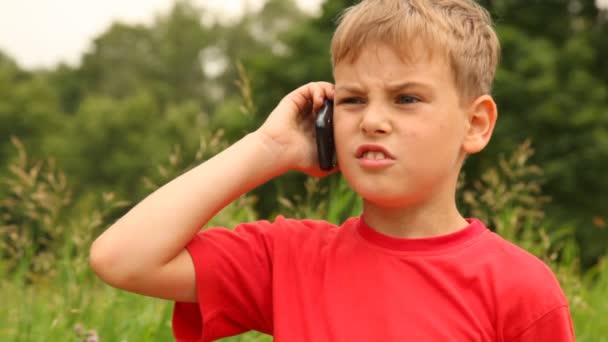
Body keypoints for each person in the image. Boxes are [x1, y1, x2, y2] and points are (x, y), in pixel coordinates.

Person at [89, 0, 575, 341]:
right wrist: (268, 147)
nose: (373, 120)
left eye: (407, 99)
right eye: (352, 100)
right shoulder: (288, 259)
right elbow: (122, 258)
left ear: (476, 123)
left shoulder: (519, 288)